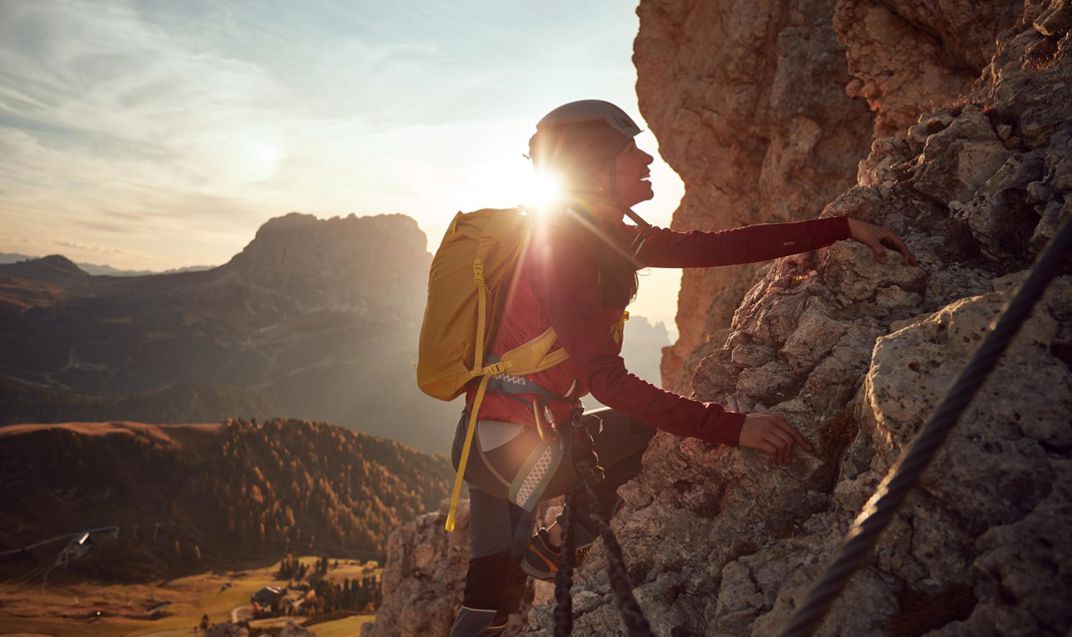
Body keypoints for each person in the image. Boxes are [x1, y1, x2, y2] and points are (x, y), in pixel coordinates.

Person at [448, 100, 915, 636]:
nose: (647, 158)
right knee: (646, 434)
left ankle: (549, 549)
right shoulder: (566, 253)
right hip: (515, 445)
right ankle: (553, 546)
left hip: (498, 433)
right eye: (630, 152)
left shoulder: (604, 238)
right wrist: (734, 427)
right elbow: (608, 382)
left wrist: (840, 227)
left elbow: (720, 247)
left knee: (485, 604)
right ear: (595, 171)